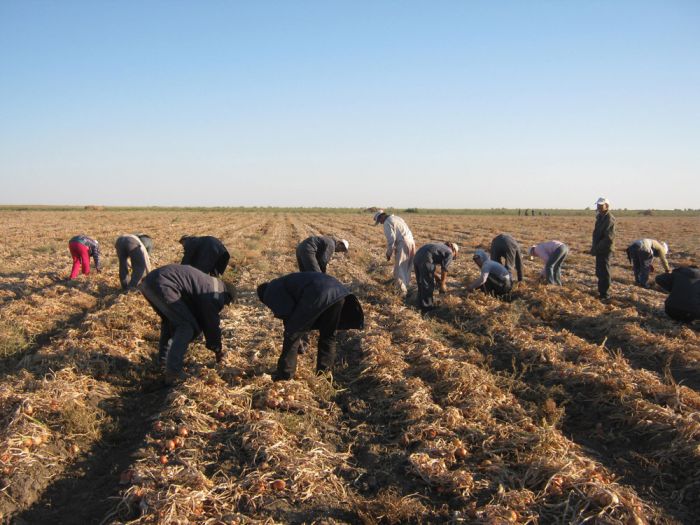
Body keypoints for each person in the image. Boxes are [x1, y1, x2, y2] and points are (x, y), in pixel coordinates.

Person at [257, 272, 364, 380]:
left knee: (292, 334)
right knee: (328, 335)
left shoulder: (269, 291)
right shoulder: (284, 282)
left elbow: (287, 312)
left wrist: (295, 332)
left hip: (318, 293)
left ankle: (285, 375)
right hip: (340, 293)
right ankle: (324, 375)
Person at [139, 264, 235, 385]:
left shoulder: (208, 284)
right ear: (227, 295)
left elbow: (198, 313)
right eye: (226, 303)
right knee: (186, 326)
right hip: (163, 284)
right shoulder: (216, 294)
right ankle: (173, 372)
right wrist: (217, 348)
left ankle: (163, 363)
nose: (223, 305)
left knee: (171, 322)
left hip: (151, 282)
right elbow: (210, 323)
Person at [374, 210, 416, 295]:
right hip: (411, 242)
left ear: (382, 216)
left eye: (380, 221)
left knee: (399, 269)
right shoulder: (397, 218)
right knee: (407, 267)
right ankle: (406, 286)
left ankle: (402, 293)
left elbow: (391, 240)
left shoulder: (387, 222)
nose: (381, 223)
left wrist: (388, 253)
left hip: (403, 244)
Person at [413, 242, 459, 314]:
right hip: (426, 257)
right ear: (454, 251)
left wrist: (437, 278)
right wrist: (443, 284)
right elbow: (444, 269)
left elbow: (430, 267)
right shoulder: (450, 252)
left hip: (417, 256)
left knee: (421, 282)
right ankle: (427, 308)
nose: (453, 258)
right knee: (428, 284)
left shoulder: (440, 247)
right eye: (454, 256)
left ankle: (420, 304)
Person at [590, 197, 616, 300]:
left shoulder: (609, 218)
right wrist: (594, 248)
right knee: (599, 272)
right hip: (599, 249)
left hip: (605, 249)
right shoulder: (600, 217)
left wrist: (597, 247)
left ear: (607, 206)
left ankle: (605, 295)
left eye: (601, 205)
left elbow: (608, 238)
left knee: (604, 272)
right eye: (598, 205)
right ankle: (601, 292)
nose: (599, 207)